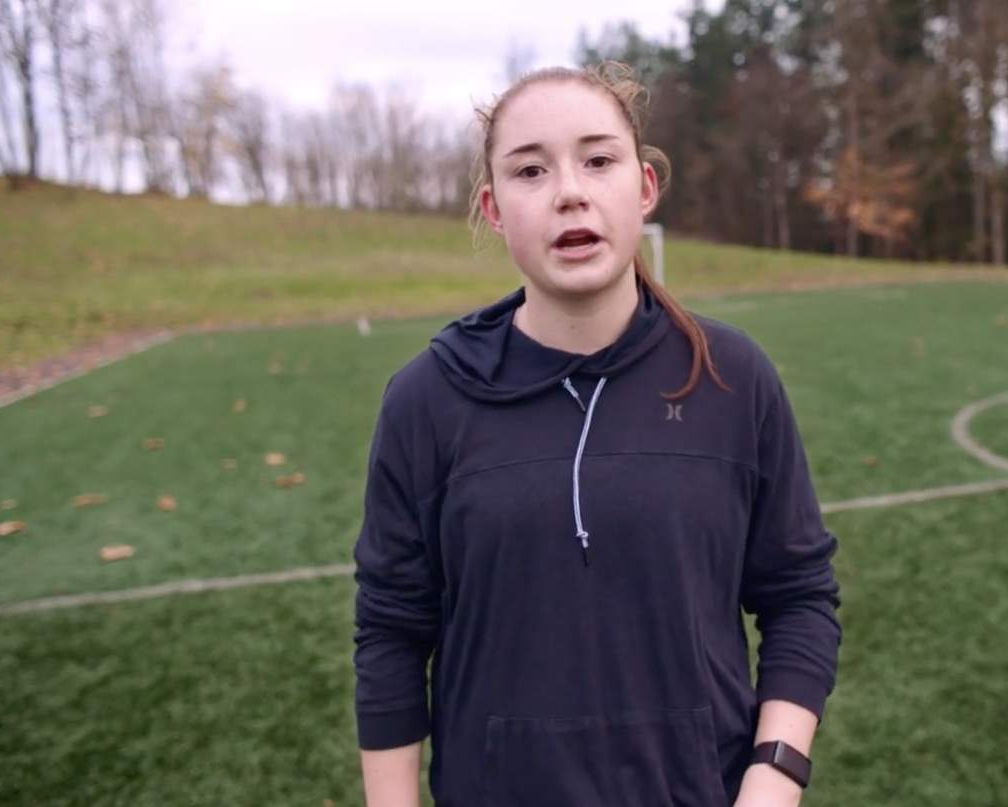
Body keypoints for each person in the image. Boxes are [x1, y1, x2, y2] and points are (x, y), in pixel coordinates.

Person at [352, 61, 841, 807]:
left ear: (643, 187)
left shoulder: (732, 377)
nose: (570, 190)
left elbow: (799, 594)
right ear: (493, 208)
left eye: (598, 159)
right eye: (530, 170)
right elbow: (390, 631)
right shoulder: (425, 400)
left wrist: (771, 778)